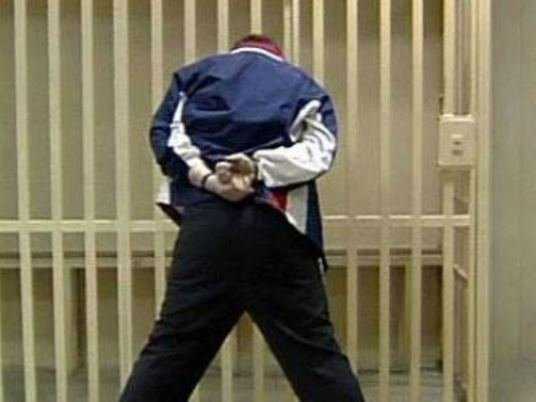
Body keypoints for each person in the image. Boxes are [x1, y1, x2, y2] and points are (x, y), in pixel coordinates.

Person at [118, 34, 366, 402]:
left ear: (236, 49)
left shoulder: (193, 77)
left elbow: (166, 137)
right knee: (314, 354)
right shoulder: (302, 85)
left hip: (208, 225)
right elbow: (319, 152)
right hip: (277, 224)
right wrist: (258, 168)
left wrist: (207, 178)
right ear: (277, 54)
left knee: (173, 348)